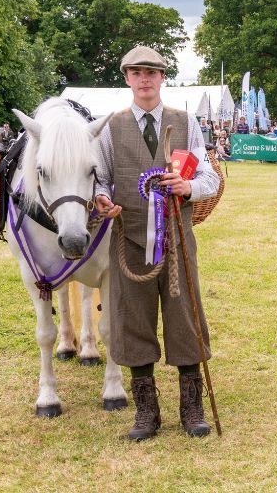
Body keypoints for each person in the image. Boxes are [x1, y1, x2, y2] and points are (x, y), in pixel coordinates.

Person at [92, 46, 222, 441]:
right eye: (136, 72)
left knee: (186, 318)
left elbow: (210, 178)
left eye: (152, 72)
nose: (144, 79)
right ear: (127, 78)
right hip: (130, 241)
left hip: (179, 241)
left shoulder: (186, 123)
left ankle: (192, 409)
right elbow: (100, 179)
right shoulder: (110, 127)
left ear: (162, 77)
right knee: (134, 321)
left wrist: (189, 186)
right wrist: (101, 199)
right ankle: (146, 413)